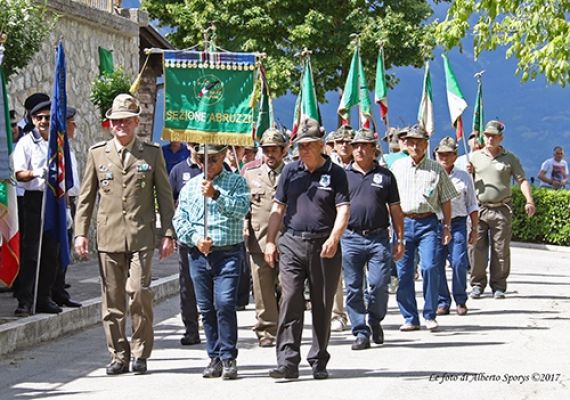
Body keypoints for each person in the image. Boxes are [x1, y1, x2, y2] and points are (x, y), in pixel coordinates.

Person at [74, 94, 175, 375]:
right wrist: (80, 233)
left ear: (135, 122)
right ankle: (119, 353)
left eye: (125, 121)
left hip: (141, 236)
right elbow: (86, 198)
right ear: (110, 124)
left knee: (139, 293)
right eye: (116, 121)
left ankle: (141, 352)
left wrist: (168, 233)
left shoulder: (151, 154)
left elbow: (164, 197)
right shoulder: (97, 153)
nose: (120, 126)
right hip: (109, 237)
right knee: (112, 299)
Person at [265, 118, 350, 380]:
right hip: (291, 242)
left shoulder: (335, 173)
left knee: (322, 303)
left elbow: (343, 209)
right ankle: (287, 361)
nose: (303, 151)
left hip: (323, 245)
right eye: (300, 147)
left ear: (321, 146)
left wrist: (334, 238)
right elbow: (278, 208)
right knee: (290, 298)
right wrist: (270, 240)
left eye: (308, 146)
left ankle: (319, 359)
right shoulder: (290, 171)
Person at [173, 143, 250, 380]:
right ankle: (214, 356)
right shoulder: (189, 187)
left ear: (223, 157)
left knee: (224, 303)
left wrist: (216, 195)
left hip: (227, 252)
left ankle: (229, 356)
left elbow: (241, 209)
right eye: (203, 159)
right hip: (199, 255)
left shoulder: (236, 182)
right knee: (205, 308)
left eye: (214, 159)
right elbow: (180, 219)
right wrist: (195, 239)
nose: (208, 165)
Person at [341, 128, 404, 350]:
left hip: (378, 237)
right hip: (350, 237)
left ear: (373, 150)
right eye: (355, 145)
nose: (358, 149)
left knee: (378, 284)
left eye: (364, 146)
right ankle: (360, 330)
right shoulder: (343, 175)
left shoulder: (386, 176)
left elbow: (395, 209)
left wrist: (400, 238)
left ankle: (375, 320)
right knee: (354, 287)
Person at [391, 124, 458, 332]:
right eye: (410, 142)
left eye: (418, 142)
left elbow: (446, 200)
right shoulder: (397, 167)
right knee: (404, 272)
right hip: (403, 222)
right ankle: (410, 317)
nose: (414, 146)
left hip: (428, 223)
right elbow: (390, 200)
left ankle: (430, 313)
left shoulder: (436, 168)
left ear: (426, 144)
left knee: (429, 267)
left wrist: (446, 226)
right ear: (405, 144)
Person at [469, 120, 536, 300]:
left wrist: (529, 200)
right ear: (483, 136)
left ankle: (498, 285)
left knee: (501, 249)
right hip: (480, 208)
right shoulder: (474, 157)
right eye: (488, 135)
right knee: (476, 248)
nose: (490, 139)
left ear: (501, 138)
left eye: (494, 136)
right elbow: (464, 179)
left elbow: (522, 180)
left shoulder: (510, 158)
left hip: (502, 209)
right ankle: (477, 284)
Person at [12, 98, 63, 315]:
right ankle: (25, 299)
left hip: (53, 199)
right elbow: (18, 174)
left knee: (52, 251)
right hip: (34, 198)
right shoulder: (26, 142)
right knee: (32, 251)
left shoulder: (57, 142)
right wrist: (36, 173)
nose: (44, 121)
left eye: (48, 118)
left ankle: (44, 297)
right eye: (39, 118)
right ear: (32, 119)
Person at [243, 128, 288, 347]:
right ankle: (267, 329)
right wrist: (244, 225)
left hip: (287, 239)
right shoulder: (251, 174)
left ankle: (286, 325)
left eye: (274, 150)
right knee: (262, 288)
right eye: (266, 150)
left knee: (287, 286)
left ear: (283, 151)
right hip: (258, 239)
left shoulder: (292, 173)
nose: (270, 155)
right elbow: (246, 207)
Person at [434, 137, 479, 316]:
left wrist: (474, 228)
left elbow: (472, 204)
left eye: (448, 154)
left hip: (458, 222)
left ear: (455, 155)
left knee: (459, 262)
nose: (444, 157)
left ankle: (460, 299)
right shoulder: (431, 174)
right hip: (435, 223)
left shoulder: (463, 176)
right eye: (441, 154)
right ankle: (442, 300)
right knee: (435, 263)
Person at [168, 142, 202, 346]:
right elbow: (170, 202)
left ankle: (212, 326)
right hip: (187, 239)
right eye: (195, 145)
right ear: (188, 145)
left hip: (212, 239)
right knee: (187, 285)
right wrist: (170, 234)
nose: (198, 149)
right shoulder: (178, 170)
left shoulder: (217, 167)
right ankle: (191, 328)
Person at [51, 106, 82, 309]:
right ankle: (52, 291)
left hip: (70, 202)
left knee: (65, 249)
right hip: (61, 203)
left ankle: (60, 290)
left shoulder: (68, 148)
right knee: (56, 251)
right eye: (72, 123)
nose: (75, 127)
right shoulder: (59, 148)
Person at [329, 125, 353, 332]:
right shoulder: (327, 166)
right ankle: (337, 314)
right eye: (340, 142)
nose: (344, 145)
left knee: (356, 274)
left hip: (359, 226)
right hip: (334, 225)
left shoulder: (367, 164)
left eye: (348, 142)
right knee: (335, 273)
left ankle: (357, 310)